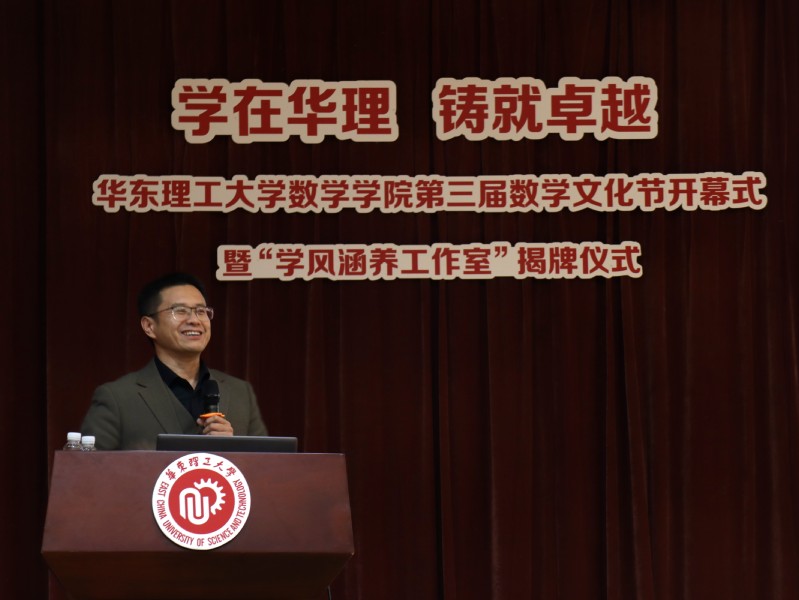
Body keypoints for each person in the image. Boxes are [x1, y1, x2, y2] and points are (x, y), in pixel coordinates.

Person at [81, 272, 268, 450]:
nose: (194, 320)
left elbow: (267, 466)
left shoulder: (240, 393)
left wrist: (233, 449)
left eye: (201, 311)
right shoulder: (117, 397)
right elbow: (90, 468)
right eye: (180, 311)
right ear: (149, 326)